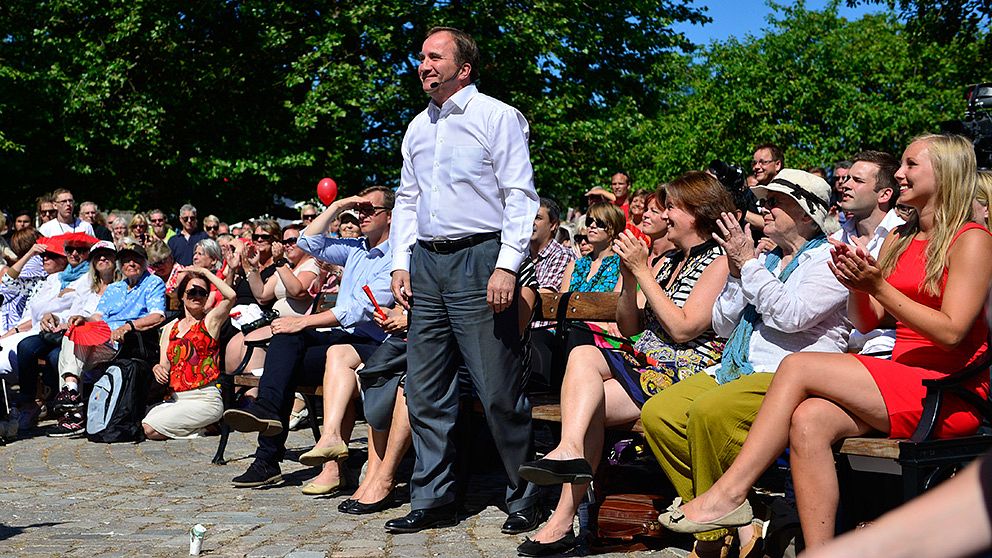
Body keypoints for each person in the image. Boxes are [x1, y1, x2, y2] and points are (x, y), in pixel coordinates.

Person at [659, 135, 992, 551]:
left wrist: (878, 287)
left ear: (945, 172)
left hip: (949, 390)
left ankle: (730, 494)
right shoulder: (900, 237)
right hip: (902, 379)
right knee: (810, 420)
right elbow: (867, 322)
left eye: (910, 165)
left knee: (799, 365)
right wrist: (855, 283)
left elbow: (952, 332)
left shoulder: (972, 238)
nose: (901, 174)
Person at [516, 172, 734, 556]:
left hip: (684, 368)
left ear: (696, 213)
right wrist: (632, 279)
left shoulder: (719, 262)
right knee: (583, 356)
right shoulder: (668, 261)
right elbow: (631, 325)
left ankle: (563, 518)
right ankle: (568, 456)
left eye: (672, 207)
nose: (665, 215)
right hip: (645, 357)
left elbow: (684, 329)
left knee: (588, 402)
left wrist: (643, 272)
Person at [642, 169, 848, 558]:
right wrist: (739, 272)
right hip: (737, 367)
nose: (764, 209)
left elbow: (792, 315)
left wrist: (747, 264)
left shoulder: (828, 260)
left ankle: (710, 540)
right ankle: (734, 515)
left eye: (776, 202)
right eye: (765, 201)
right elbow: (722, 322)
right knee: (659, 413)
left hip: (789, 374)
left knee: (708, 412)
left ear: (806, 214)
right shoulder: (766, 258)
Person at [387, 26, 542, 535]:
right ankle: (433, 496)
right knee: (427, 388)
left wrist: (507, 263)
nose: (424, 64)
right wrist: (399, 262)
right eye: (421, 57)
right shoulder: (416, 127)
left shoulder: (496, 116)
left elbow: (520, 195)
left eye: (435, 57)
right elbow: (407, 200)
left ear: (463, 68)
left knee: (497, 389)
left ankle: (525, 491)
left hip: (481, 257)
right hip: (427, 263)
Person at [222, 187, 394, 491]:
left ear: (390, 217)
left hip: (373, 347)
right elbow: (307, 241)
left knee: (293, 336)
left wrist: (302, 320)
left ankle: (268, 452)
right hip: (341, 342)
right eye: (360, 210)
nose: (362, 215)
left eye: (370, 210)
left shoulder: (396, 256)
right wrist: (339, 204)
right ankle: (267, 431)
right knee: (287, 342)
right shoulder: (356, 248)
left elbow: (358, 311)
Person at [31, 240, 119, 437]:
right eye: (98, 256)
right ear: (93, 262)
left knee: (71, 339)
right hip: (85, 341)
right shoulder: (86, 288)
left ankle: (73, 414)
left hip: (111, 340)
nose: (103, 259)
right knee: (72, 334)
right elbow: (74, 313)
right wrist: (55, 317)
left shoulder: (121, 287)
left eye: (108, 255)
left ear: (116, 260)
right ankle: (71, 397)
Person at [59, 242, 166, 401]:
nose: (130, 263)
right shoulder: (114, 288)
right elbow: (98, 317)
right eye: (125, 260)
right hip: (102, 338)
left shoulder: (153, 282)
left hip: (126, 342)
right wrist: (83, 318)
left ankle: (71, 399)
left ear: (144, 262)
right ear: (120, 266)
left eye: (135, 259)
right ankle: (71, 390)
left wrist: (128, 326)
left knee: (69, 356)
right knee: (73, 333)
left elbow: (158, 316)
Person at [142, 267, 235, 440]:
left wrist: (204, 273)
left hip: (205, 398)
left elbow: (231, 296)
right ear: (182, 296)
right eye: (192, 291)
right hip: (178, 398)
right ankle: (205, 428)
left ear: (207, 297)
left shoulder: (210, 321)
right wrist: (157, 368)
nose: (197, 296)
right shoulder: (170, 328)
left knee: (149, 429)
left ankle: (205, 428)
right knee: (145, 419)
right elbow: (164, 364)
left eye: (202, 292)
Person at [832, 150, 904, 357]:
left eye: (857, 180)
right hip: (837, 347)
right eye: (846, 178)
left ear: (884, 194)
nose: (845, 185)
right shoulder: (836, 237)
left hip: (886, 349)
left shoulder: (905, 237)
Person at [559, 203, 625, 293]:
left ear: (614, 229)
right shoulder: (574, 266)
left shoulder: (622, 266)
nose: (592, 226)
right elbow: (562, 303)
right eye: (589, 221)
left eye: (600, 223)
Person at [0, 230, 46, 333]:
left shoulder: (35, 261)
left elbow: (7, 282)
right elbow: (8, 281)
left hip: (20, 321)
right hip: (20, 320)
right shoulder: (33, 261)